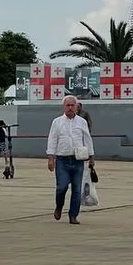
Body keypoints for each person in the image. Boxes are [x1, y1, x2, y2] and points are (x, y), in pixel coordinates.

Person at [46, 95, 95, 224]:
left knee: (77, 190)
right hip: (62, 160)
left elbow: (87, 139)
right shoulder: (57, 122)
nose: (70, 108)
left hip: (78, 160)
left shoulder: (81, 122)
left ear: (76, 107)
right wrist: (51, 158)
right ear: (64, 107)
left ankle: (73, 215)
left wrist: (91, 157)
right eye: (67, 105)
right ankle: (59, 206)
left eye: (72, 105)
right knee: (61, 187)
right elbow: (52, 140)